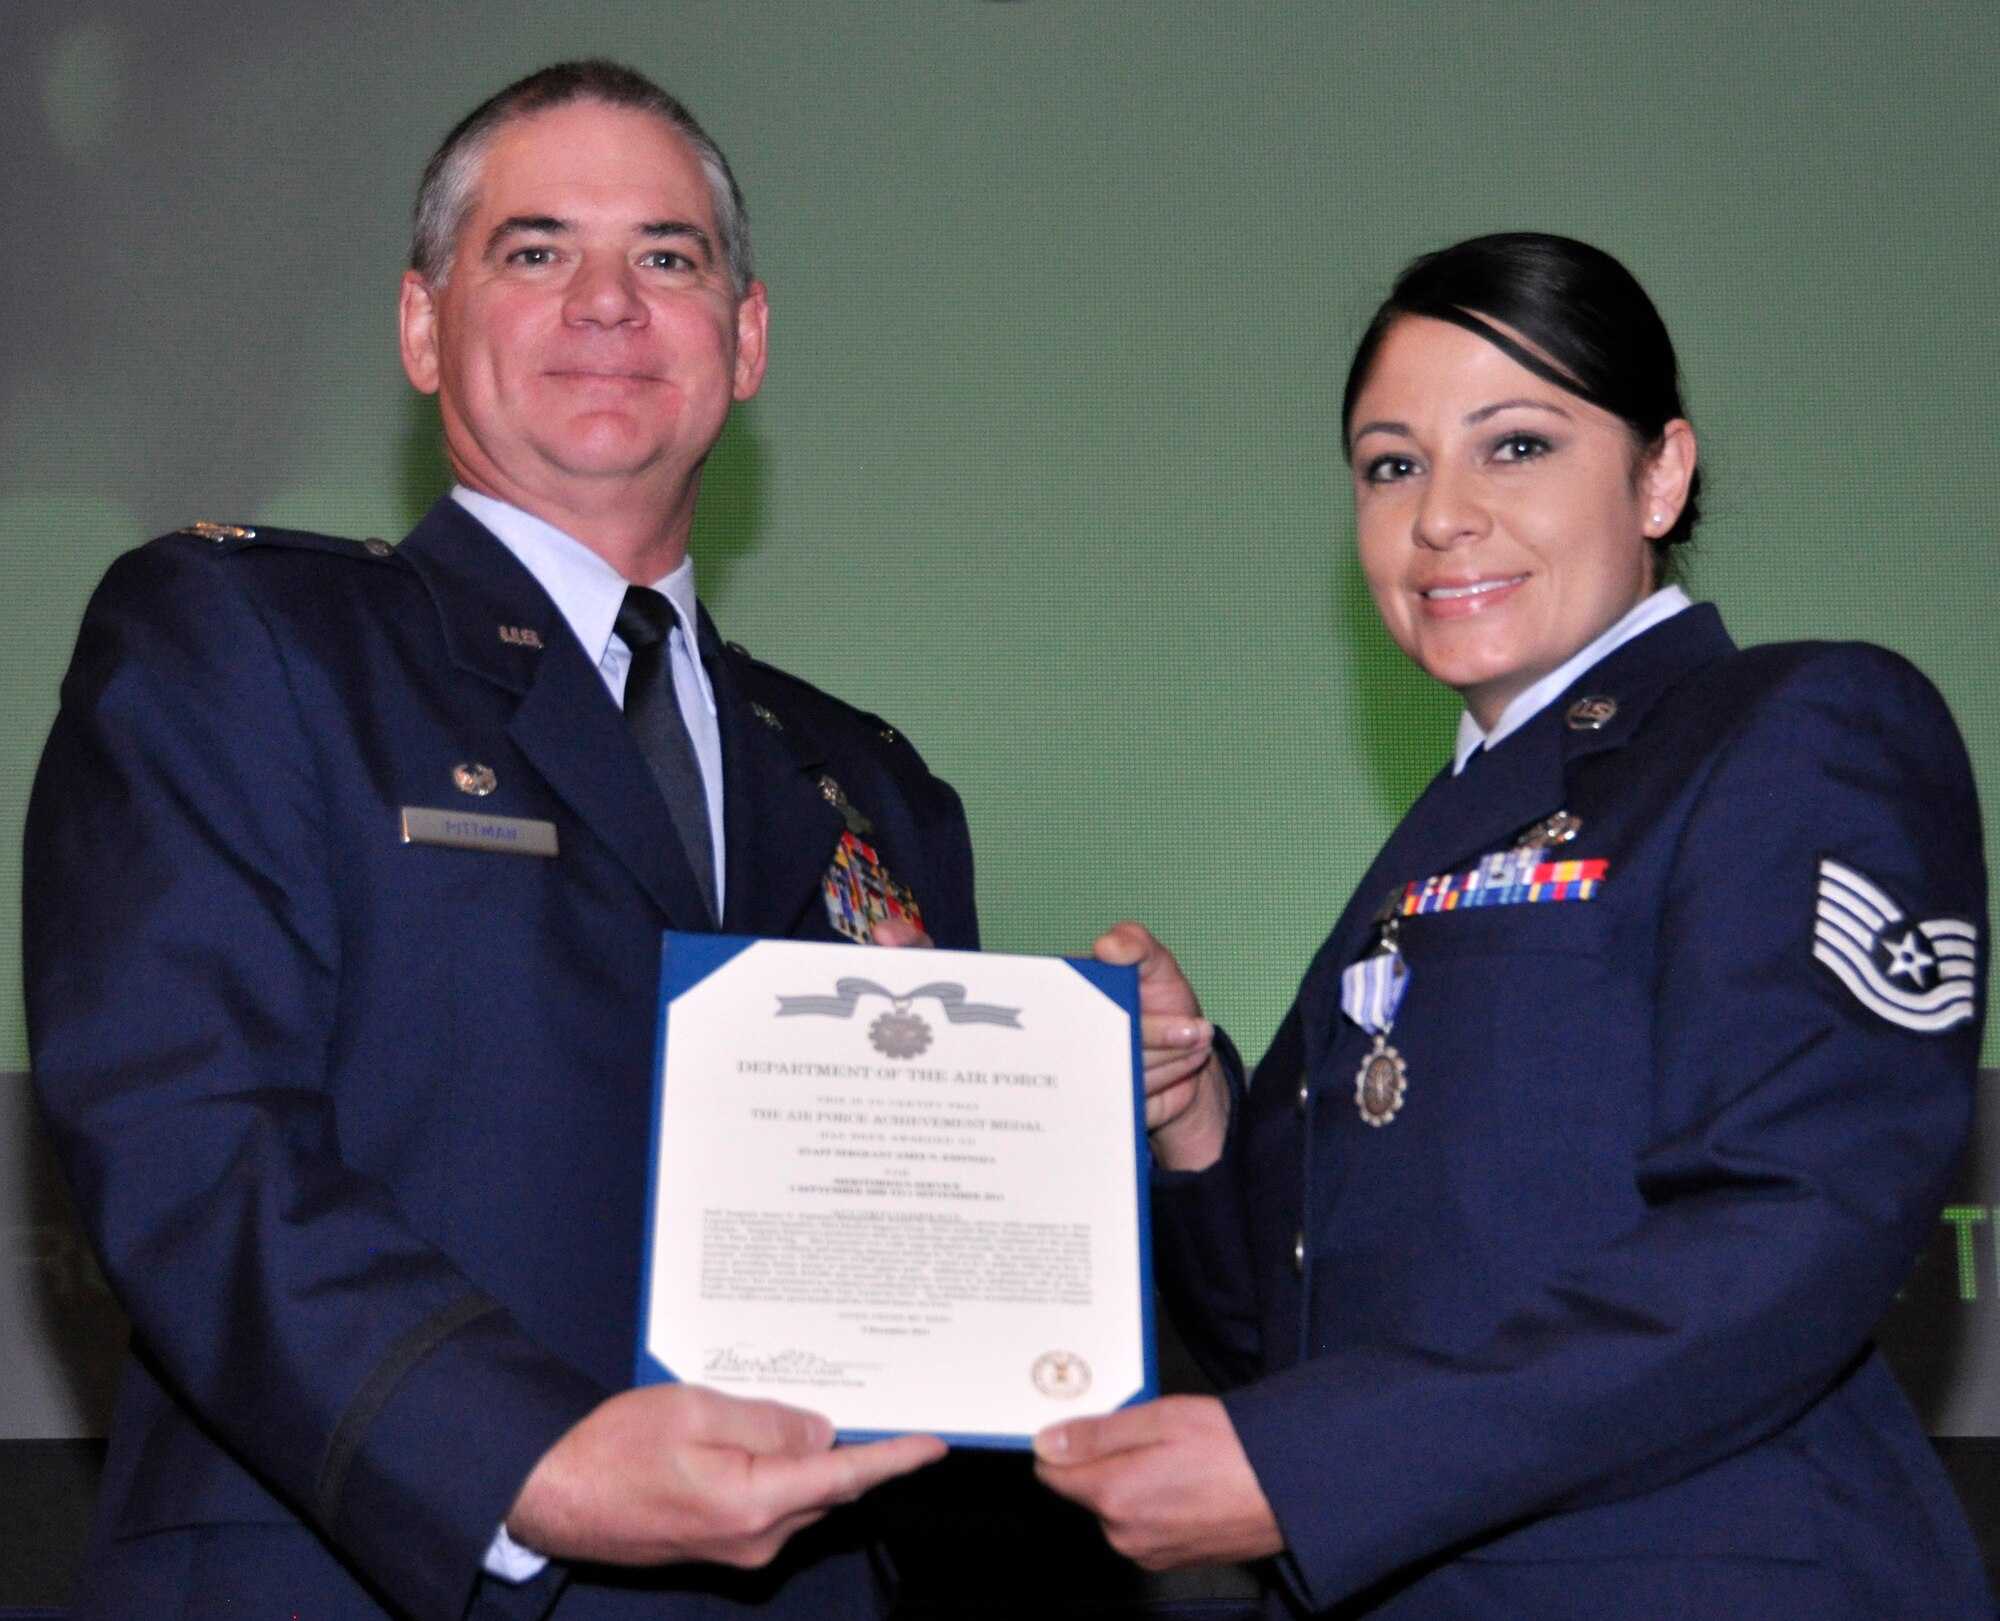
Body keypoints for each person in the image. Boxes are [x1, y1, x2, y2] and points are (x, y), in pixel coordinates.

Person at [25, 60, 970, 1621]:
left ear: (743, 341)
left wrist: (1142, 1106)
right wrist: (525, 1453)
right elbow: (187, 1132)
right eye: (534, 252)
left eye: (668, 258)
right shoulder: (246, 641)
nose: (607, 303)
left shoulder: (865, 776)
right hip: (368, 1578)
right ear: (420, 328)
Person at [1034, 232, 1991, 1618]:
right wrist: (1190, 1116)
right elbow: (1301, 1324)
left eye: (1518, 446)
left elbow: (1793, 1229)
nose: (1441, 515)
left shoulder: (1799, 729)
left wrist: (1312, 1468)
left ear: (1663, 471)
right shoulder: (1444, 836)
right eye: (1391, 463)